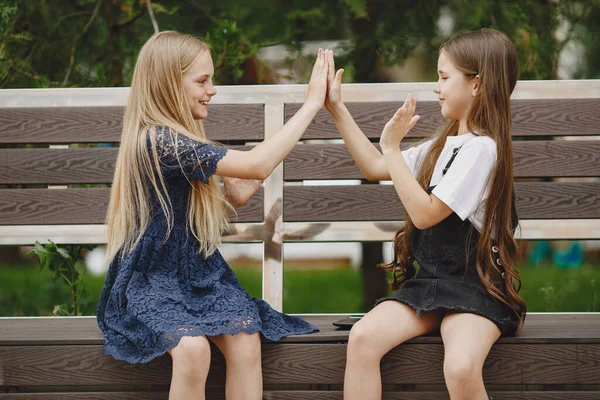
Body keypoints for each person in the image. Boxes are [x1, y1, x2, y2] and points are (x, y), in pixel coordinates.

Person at [96, 31, 328, 400]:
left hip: (199, 274)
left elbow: (218, 200)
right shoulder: (159, 141)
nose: (213, 89)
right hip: (151, 279)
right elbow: (256, 163)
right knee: (193, 349)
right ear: (169, 84)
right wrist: (312, 104)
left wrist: (236, 192)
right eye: (202, 80)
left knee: (245, 337)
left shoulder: (181, 141)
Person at [324, 28, 527, 400]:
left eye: (444, 77)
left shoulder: (482, 150)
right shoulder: (443, 145)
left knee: (460, 365)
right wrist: (336, 108)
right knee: (363, 338)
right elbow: (374, 166)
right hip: (431, 284)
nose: (437, 87)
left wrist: (391, 145)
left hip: (476, 288)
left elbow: (425, 214)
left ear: (477, 84)